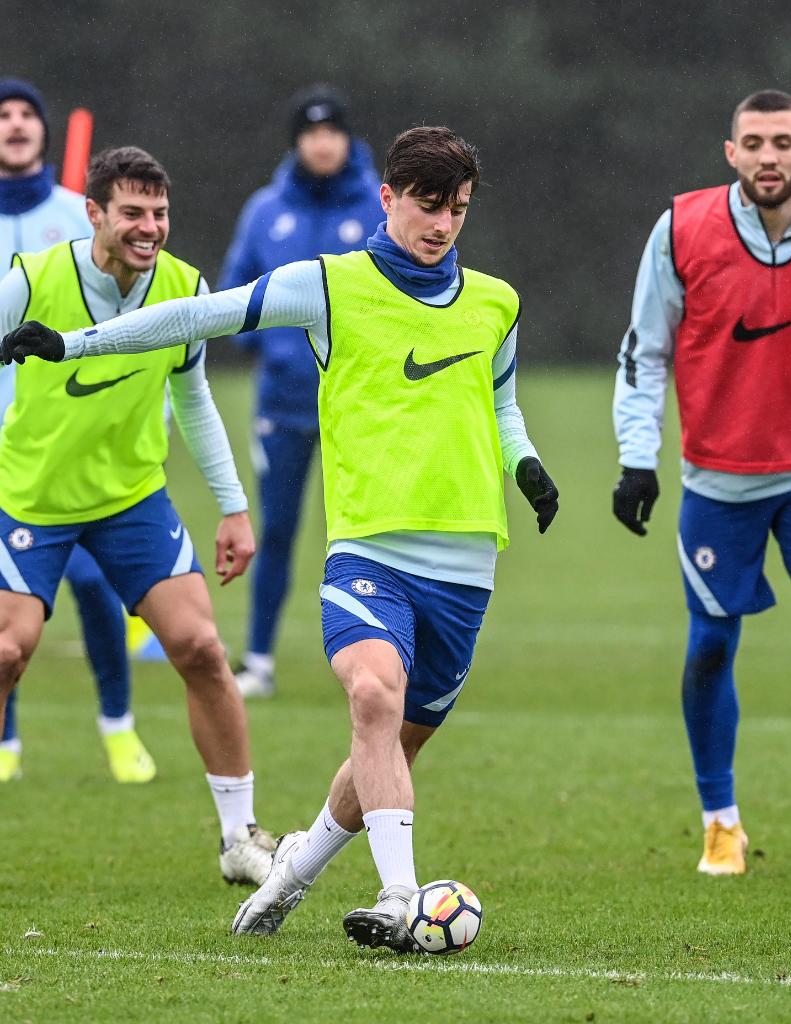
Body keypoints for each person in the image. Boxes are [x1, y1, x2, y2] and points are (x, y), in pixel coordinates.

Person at [2, 126, 559, 951]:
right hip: (368, 548)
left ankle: (292, 866)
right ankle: (401, 895)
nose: (442, 225)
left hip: (467, 559)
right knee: (372, 697)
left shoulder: (496, 301)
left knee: (388, 748)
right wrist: (72, 343)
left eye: (458, 210)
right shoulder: (328, 285)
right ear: (389, 198)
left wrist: (528, 465)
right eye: (428, 206)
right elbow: (200, 315)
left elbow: (502, 402)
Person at [0, 145, 274, 885]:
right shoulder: (31, 281)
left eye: (159, 213)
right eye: (132, 213)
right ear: (94, 213)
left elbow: (194, 399)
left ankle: (239, 839)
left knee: (201, 649)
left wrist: (233, 507)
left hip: (131, 500)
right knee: (7, 650)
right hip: (29, 498)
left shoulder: (184, 287)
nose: (148, 228)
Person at [612, 89, 791, 876]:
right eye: (753, 143)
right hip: (716, 482)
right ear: (729, 153)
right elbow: (645, 350)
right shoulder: (681, 228)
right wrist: (637, 458)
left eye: (782, 142)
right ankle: (719, 820)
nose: (768, 156)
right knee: (709, 650)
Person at [0, 77, 156, 784]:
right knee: (8, 614)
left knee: (95, 586)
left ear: (45, 129)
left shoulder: (78, 213)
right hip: (7, 446)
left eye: (27, 113)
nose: (15, 124)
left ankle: (118, 725)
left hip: (69, 434)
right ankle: (5, 743)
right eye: (3, 115)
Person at [219, 85, 383, 698]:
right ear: (296, 141)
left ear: (347, 139)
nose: (323, 142)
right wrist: (281, 352)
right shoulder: (266, 209)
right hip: (284, 407)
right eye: (312, 132)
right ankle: (257, 660)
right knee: (279, 529)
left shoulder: (377, 205)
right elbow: (236, 292)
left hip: (361, 406)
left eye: (333, 131)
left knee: (370, 533)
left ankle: (382, 658)